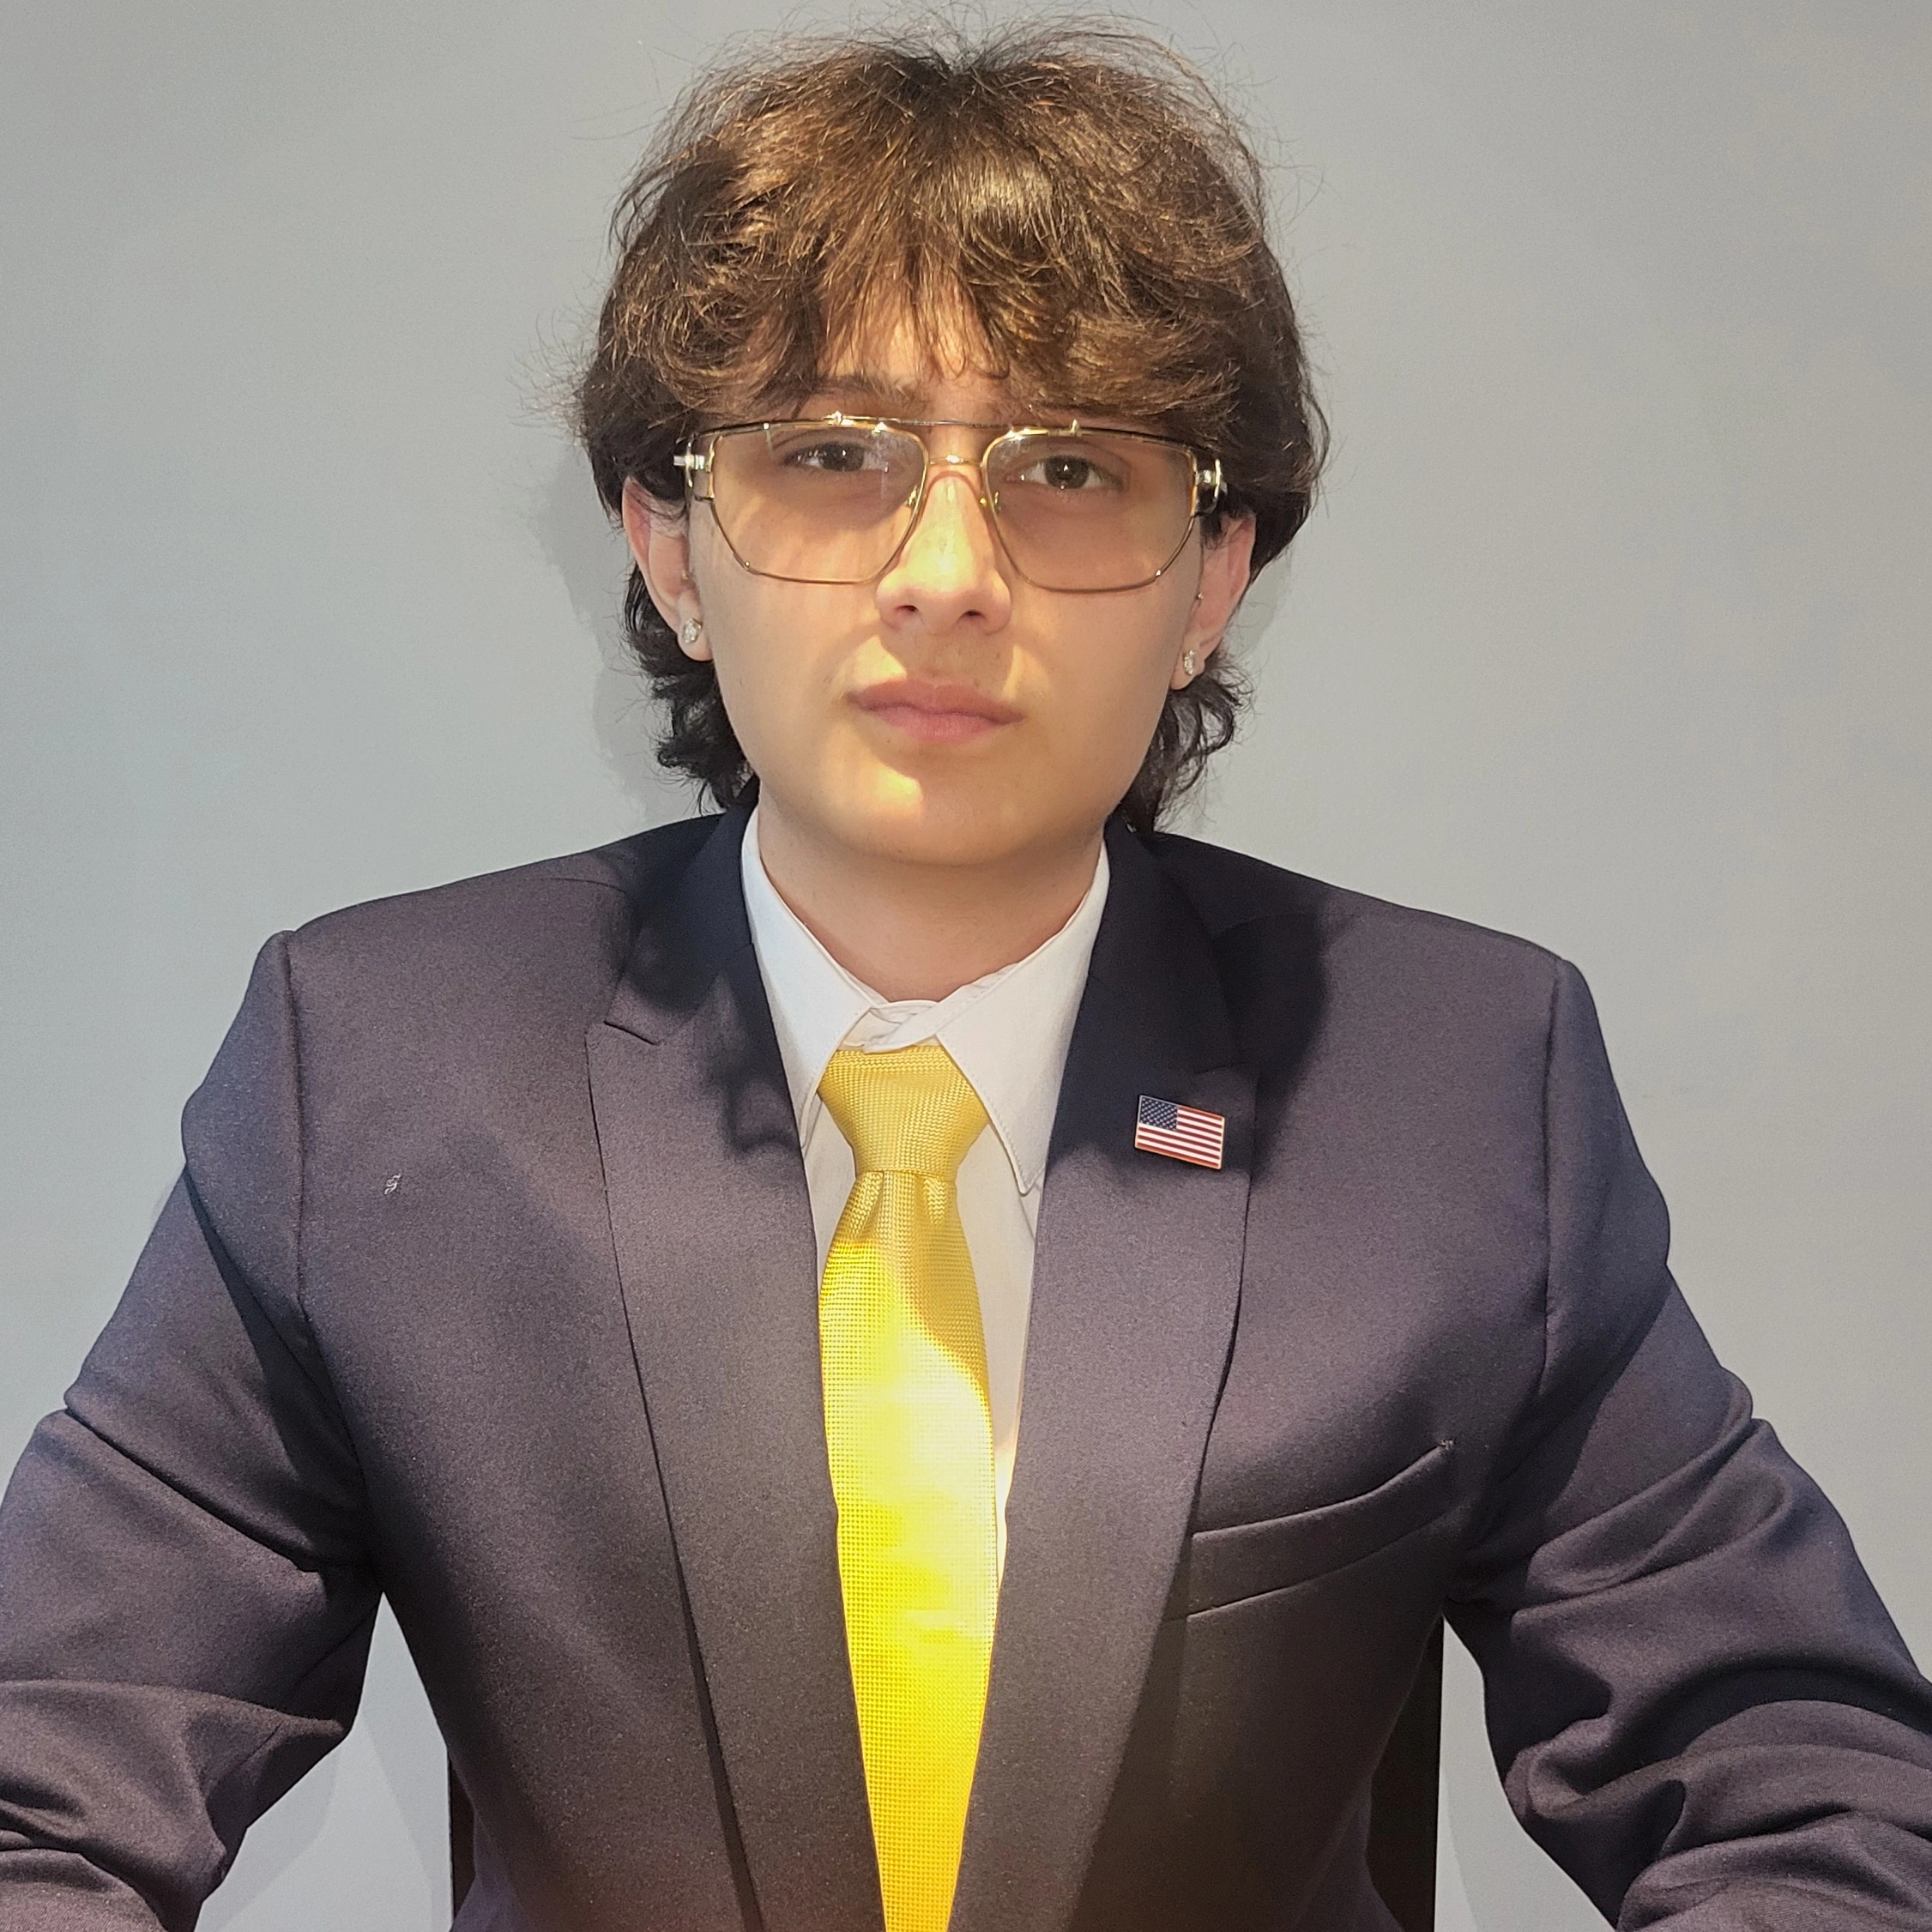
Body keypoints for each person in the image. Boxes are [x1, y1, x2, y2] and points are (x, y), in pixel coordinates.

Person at [2, 23, 1929, 1932]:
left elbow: (1811, 1795)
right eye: (830, 455)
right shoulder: (375, 1069)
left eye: (1068, 466)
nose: (945, 571)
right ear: (668, 547)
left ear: (1211, 577)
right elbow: (41, 1784)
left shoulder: (1454, 1088)